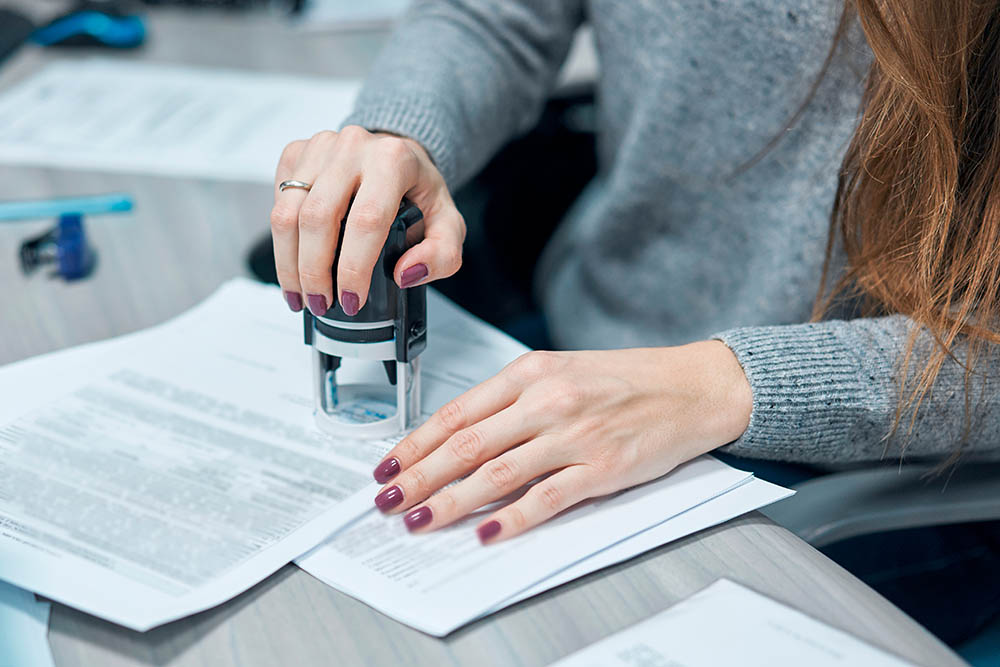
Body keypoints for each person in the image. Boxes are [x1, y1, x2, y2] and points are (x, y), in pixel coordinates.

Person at [269, 2, 1000, 548]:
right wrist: (399, 140)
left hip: (867, 473)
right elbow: (495, 18)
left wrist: (724, 384)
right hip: (587, 344)